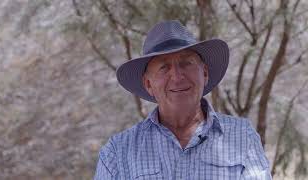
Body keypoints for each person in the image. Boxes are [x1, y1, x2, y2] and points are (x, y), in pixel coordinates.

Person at [94, 20, 272, 179]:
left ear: (205, 73)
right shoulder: (118, 152)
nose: (177, 76)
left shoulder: (242, 136)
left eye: (186, 63)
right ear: (148, 84)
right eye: (164, 67)